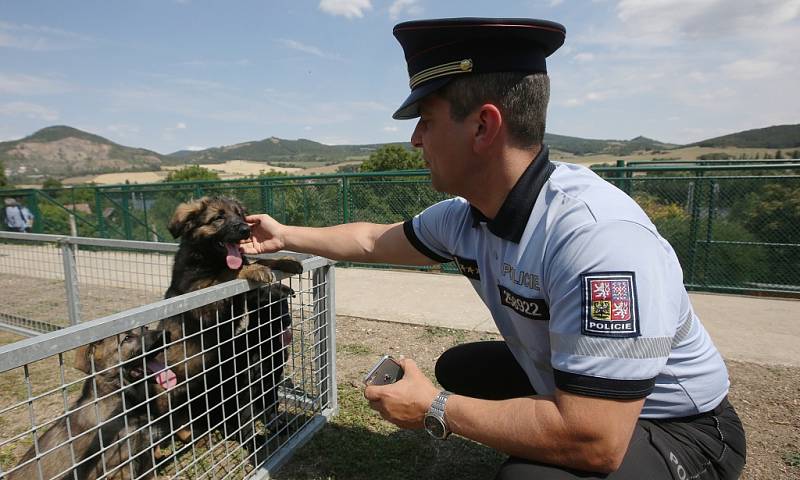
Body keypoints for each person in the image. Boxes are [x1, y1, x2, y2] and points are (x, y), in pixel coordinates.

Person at [240, 17, 746, 479]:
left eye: (428, 119)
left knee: (529, 478)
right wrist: (283, 235)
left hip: (683, 425)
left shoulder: (596, 239)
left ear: (483, 126)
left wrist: (436, 409)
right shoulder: (470, 215)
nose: (416, 139)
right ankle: (545, 417)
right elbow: (372, 239)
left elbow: (597, 440)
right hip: (593, 398)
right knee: (463, 368)